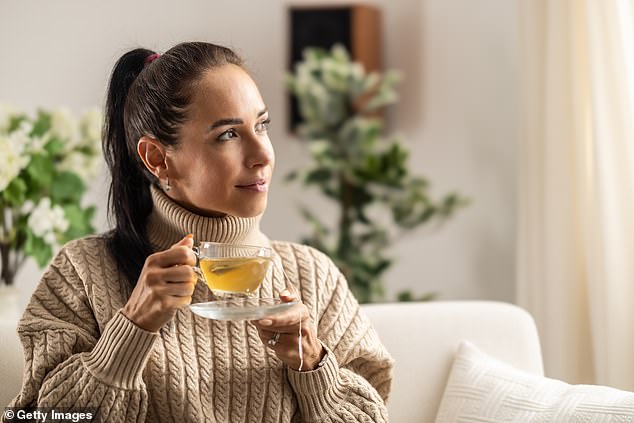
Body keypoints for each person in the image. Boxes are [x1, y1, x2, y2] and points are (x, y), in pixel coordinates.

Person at [6, 42, 393, 422]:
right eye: (228, 135)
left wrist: (314, 366)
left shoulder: (315, 276)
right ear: (157, 158)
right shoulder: (82, 272)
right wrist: (132, 328)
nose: (262, 155)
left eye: (262, 125)